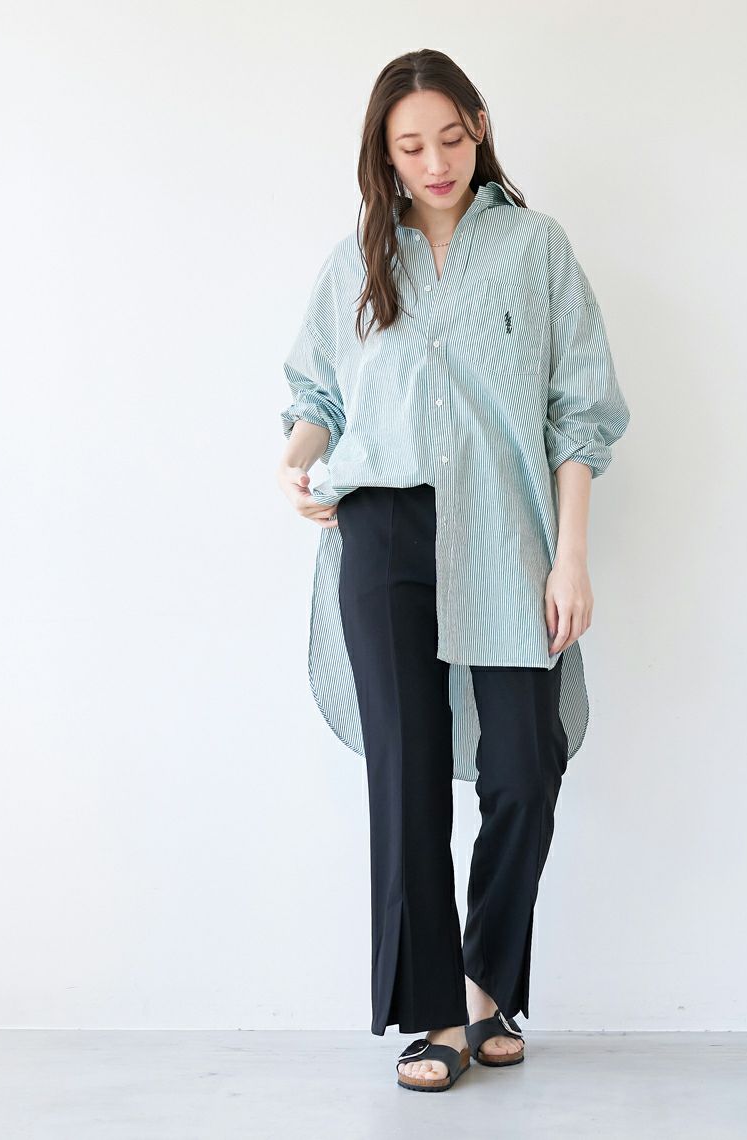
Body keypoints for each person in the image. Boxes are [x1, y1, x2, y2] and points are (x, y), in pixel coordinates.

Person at [277, 49, 630, 1092]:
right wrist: (295, 459)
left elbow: (579, 411)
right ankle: (433, 1014)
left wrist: (570, 555)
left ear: (479, 127)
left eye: (450, 137)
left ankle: (485, 983)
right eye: (409, 147)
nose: (434, 162)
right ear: (382, 156)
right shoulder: (356, 260)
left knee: (526, 762)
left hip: (506, 533)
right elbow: (316, 392)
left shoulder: (535, 247)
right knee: (408, 774)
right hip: (382, 527)